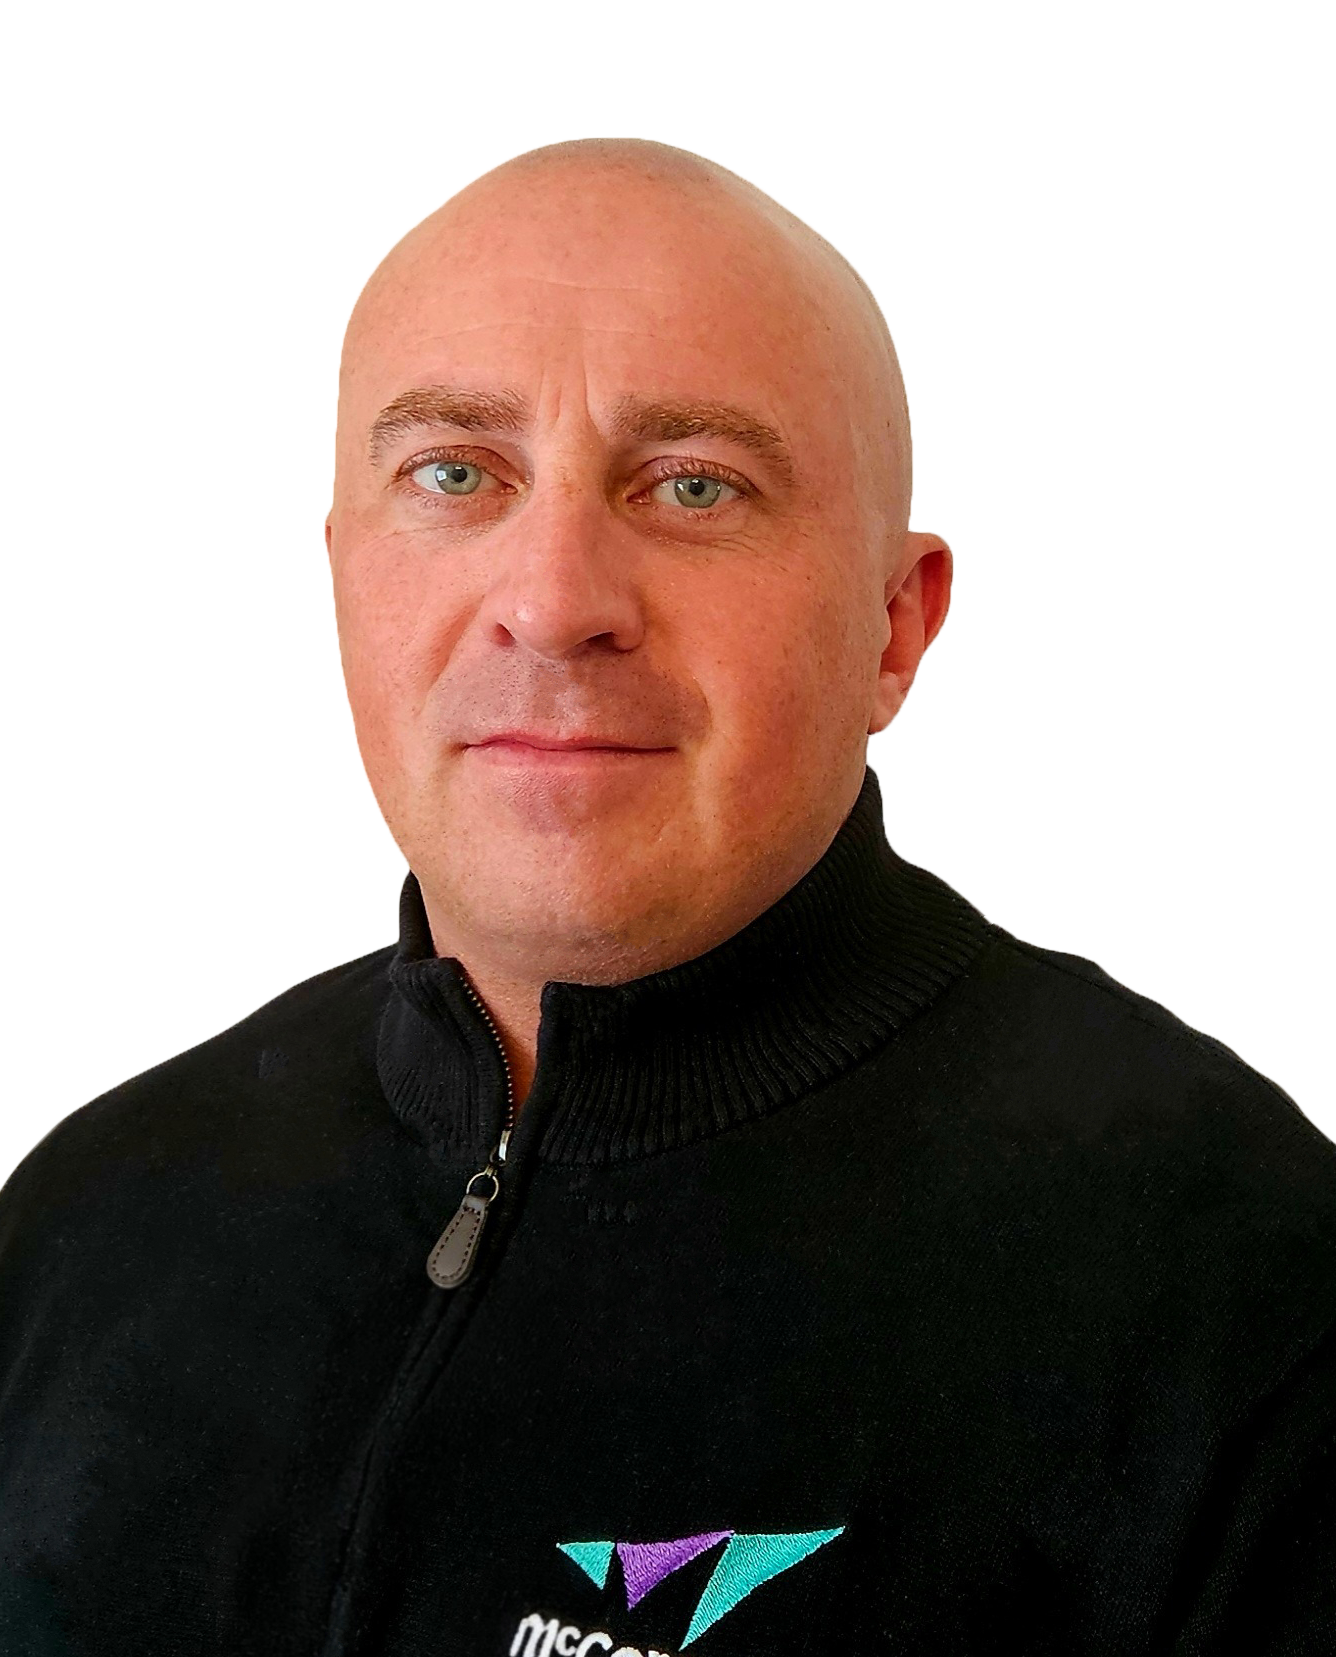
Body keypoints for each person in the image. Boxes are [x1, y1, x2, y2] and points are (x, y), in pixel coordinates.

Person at [2, 137, 1335, 1657]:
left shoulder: (1243, 1300)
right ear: (342, 577)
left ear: (895, 630)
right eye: (456, 474)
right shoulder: (81, 1222)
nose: (554, 600)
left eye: (696, 485)